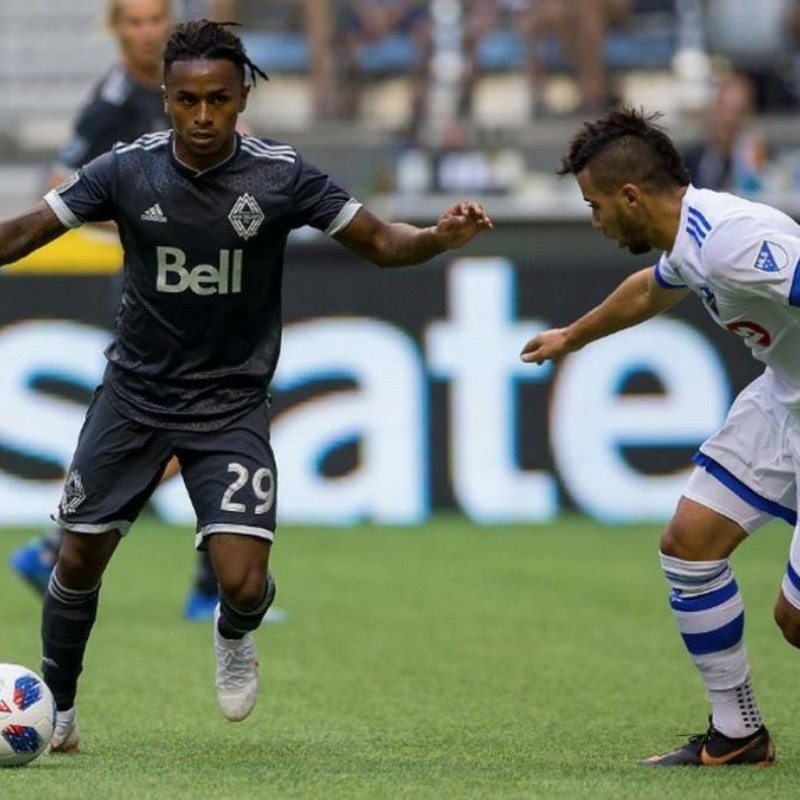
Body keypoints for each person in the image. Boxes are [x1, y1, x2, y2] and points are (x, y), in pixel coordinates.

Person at [0, 19, 493, 752]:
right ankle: (60, 711)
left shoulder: (280, 175)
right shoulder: (125, 170)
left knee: (243, 582)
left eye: (219, 100)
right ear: (164, 98)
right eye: (188, 100)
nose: (203, 117)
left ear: (242, 98)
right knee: (76, 558)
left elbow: (384, 244)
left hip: (229, 403)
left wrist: (437, 238)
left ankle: (234, 635)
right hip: (132, 397)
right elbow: (27, 233)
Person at [518, 106, 800, 766]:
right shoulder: (690, 241)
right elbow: (651, 290)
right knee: (690, 546)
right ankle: (738, 733)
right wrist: (571, 336)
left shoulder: (734, 240)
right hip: (783, 398)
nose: (595, 221)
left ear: (631, 197)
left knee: (795, 622)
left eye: (594, 206)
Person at [7, 0, 220, 623]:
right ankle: (203, 585)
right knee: (205, 419)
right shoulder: (111, 104)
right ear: (115, 30)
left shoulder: (193, 84)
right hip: (152, 286)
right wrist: (139, 212)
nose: (146, 31)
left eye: (156, 19)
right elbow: (57, 188)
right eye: (133, 22)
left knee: (208, 418)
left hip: (211, 279)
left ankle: (61, 545)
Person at [682, 71, 767, 194]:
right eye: (723, 109)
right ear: (712, 108)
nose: (728, 119)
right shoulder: (688, 161)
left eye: (737, 112)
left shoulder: (759, 162)